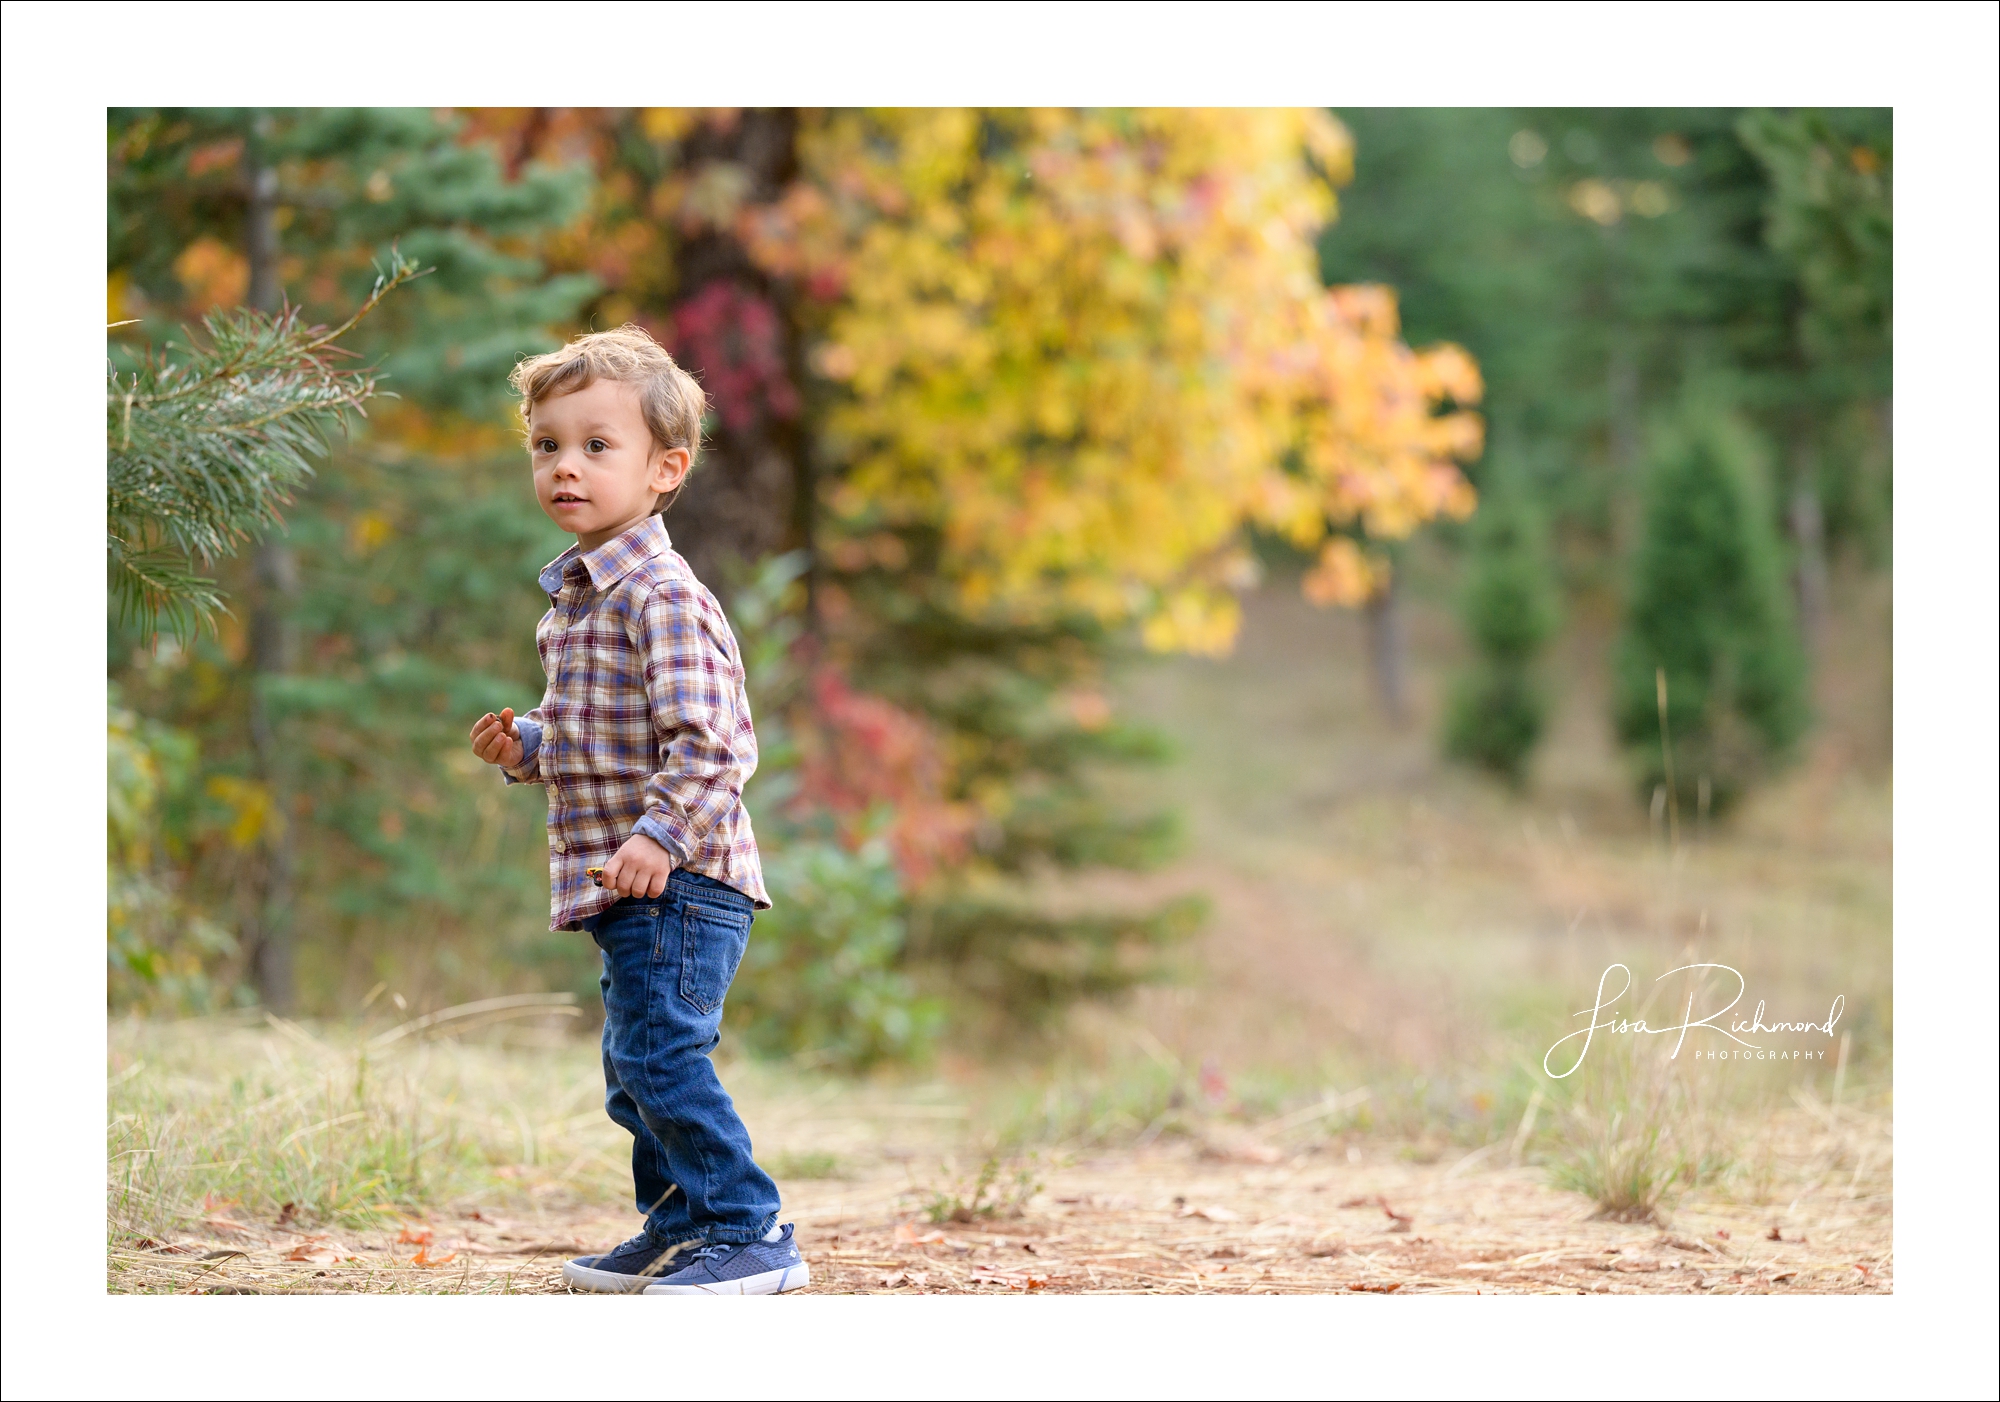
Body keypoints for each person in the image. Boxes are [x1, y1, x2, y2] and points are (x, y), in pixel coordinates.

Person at [467, 326, 808, 1295]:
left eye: (595, 446)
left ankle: (750, 1230)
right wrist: (527, 746)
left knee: (662, 1055)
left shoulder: (661, 594)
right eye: (547, 445)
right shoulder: (575, 601)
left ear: (666, 469)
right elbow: (601, 736)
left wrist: (659, 836)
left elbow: (714, 743)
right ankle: (677, 1228)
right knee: (633, 1068)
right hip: (624, 880)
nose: (564, 466)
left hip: (683, 879)